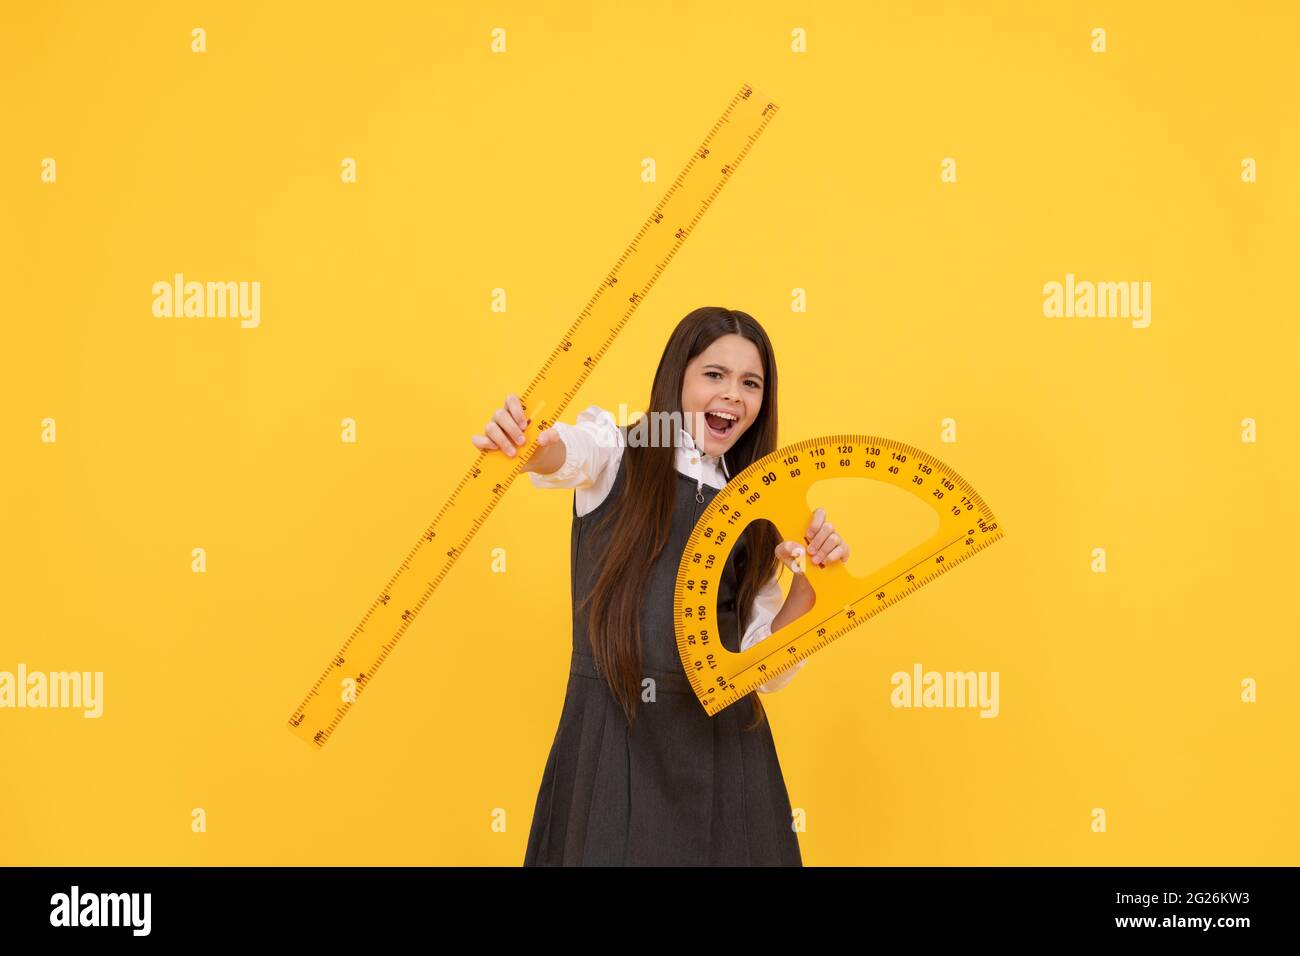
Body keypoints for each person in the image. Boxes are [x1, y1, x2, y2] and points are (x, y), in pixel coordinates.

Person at [470, 306, 851, 865]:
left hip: (725, 748)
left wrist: (809, 585)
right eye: (714, 375)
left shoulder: (757, 511)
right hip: (614, 736)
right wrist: (526, 444)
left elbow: (761, 670)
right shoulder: (618, 451)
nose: (733, 396)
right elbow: (562, 453)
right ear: (678, 377)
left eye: (751, 383)